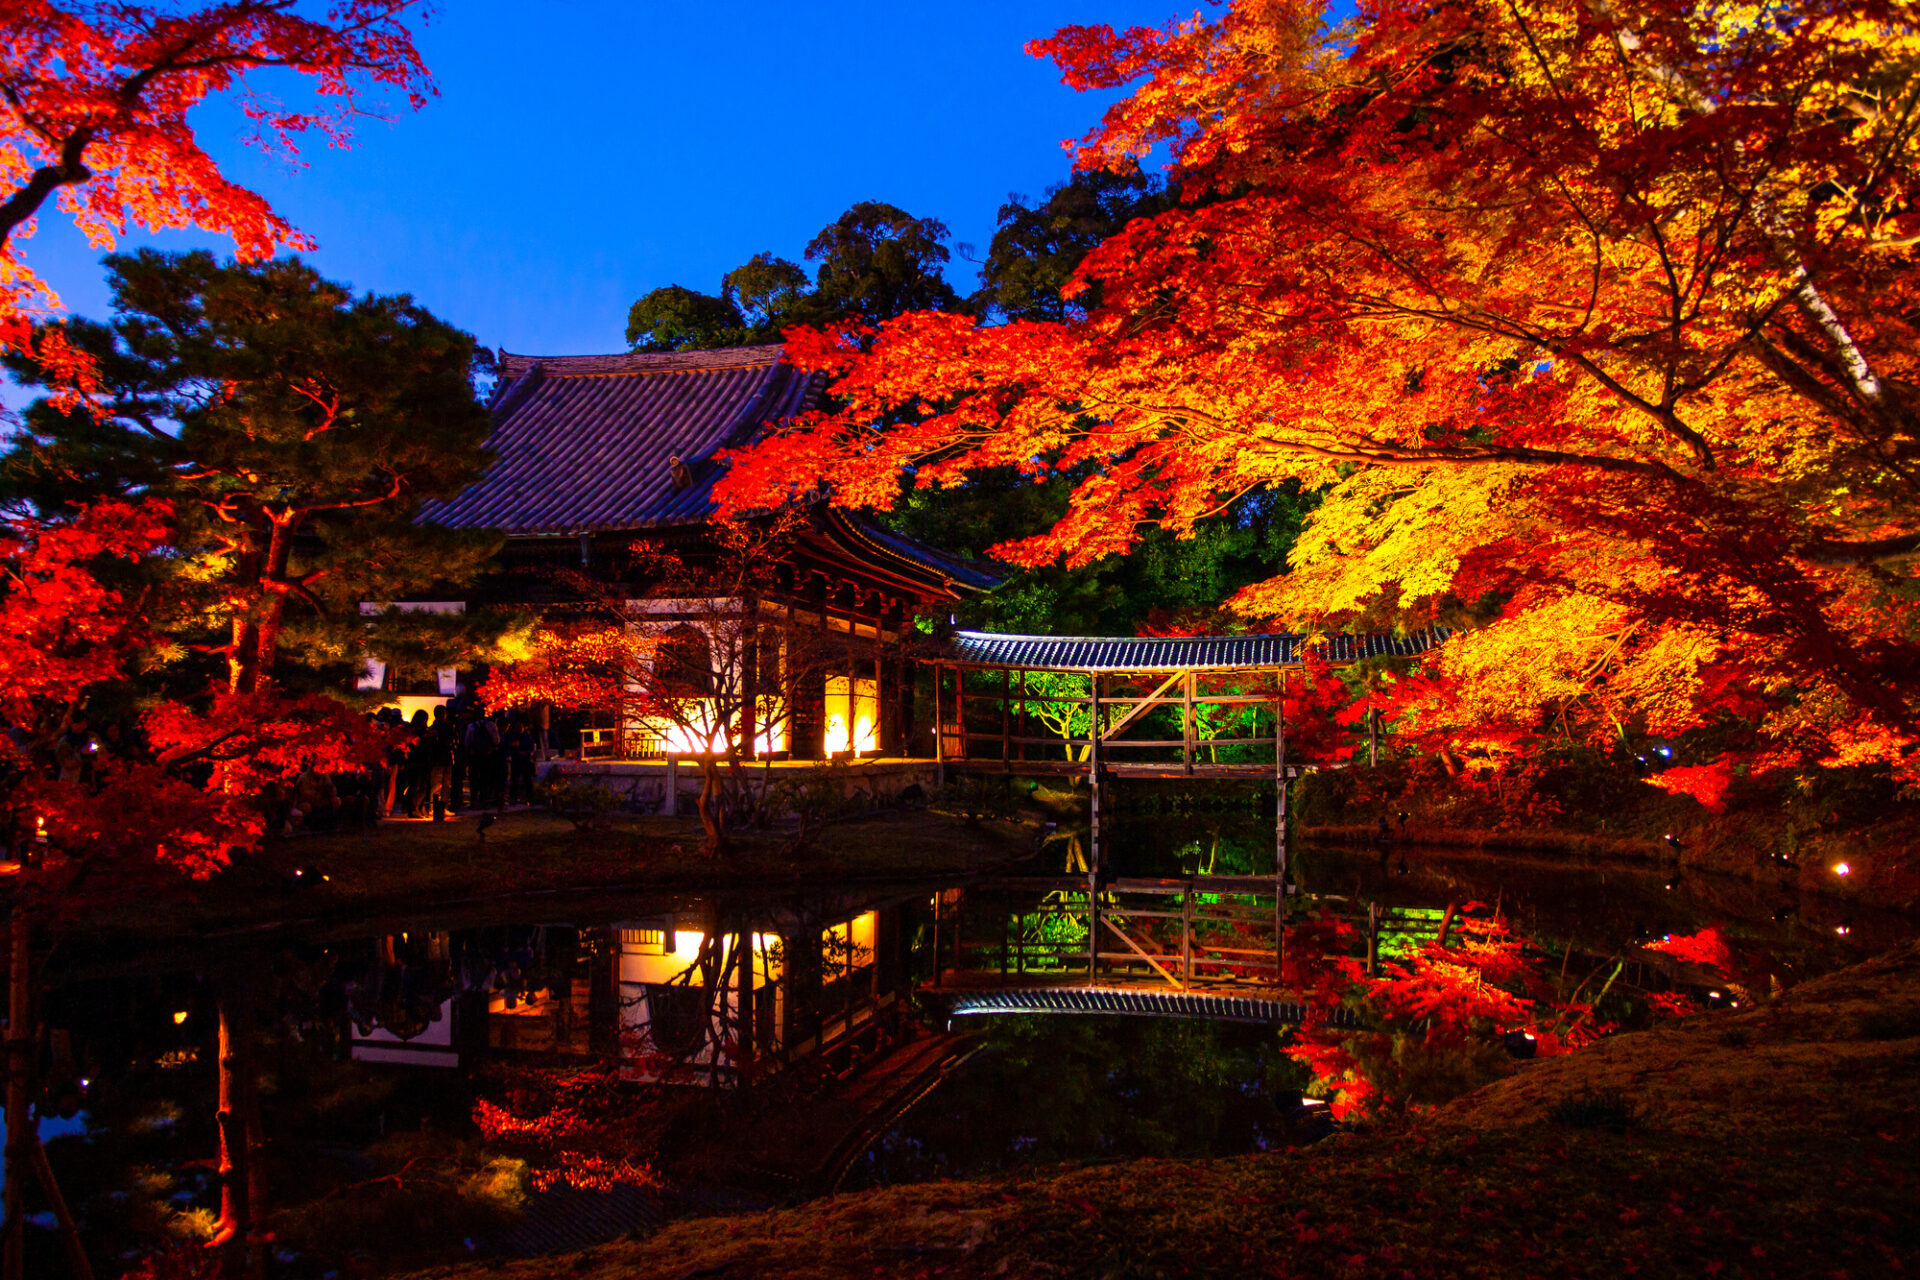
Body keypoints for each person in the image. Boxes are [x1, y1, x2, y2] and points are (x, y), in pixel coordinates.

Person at [505, 715, 537, 806]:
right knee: (514, 781)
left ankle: (530, 798)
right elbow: (509, 748)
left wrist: (526, 753)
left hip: (525, 761)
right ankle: (513, 799)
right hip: (516, 761)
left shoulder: (527, 737)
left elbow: (532, 748)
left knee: (527, 781)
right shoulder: (511, 737)